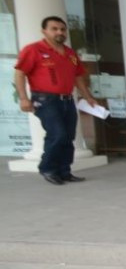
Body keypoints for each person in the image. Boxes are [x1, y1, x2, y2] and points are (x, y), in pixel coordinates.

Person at [13, 16, 100, 185]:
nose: (59, 32)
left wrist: (88, 97)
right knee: (57, 134)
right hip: (45, 100)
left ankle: (64, 171)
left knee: (68, 136)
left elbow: (78, 77)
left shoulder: (70, 54)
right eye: (54, 29)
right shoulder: (33, 50)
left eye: (62, 29)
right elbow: (20, 73)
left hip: (67, 100)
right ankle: (48, 168)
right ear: (44, 31)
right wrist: (23, 98)